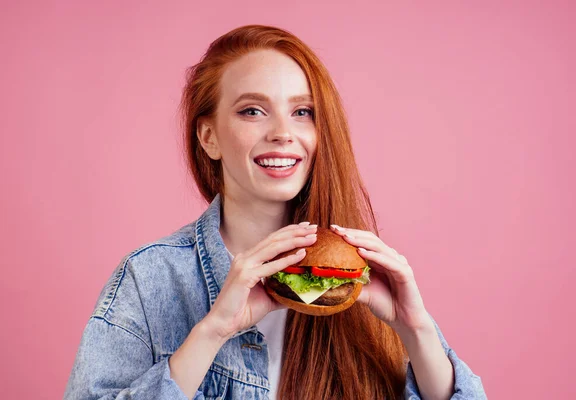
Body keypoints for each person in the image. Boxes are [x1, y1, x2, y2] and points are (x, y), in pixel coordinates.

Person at [64, 25, 486, 400]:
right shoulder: (150, 277)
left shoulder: (361, 279)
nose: (283, 133)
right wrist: (211, 333)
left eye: (302, 112)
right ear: (209, 136)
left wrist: (415, 331)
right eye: (252, 110)